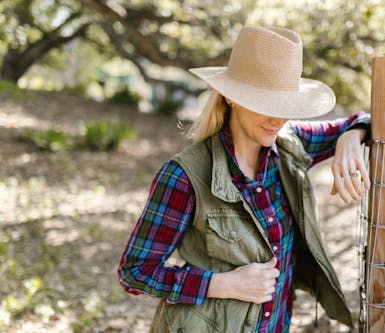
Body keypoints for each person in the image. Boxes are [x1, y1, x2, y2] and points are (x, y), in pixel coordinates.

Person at [118, 25, 371, 333]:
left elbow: (360, 119)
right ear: (231, 98)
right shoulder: (184, 176)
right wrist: (220, 284)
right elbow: (135, 271)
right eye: (266, 102)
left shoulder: (291, 143)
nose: (277, 118)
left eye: (285, 105)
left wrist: (350, 138)